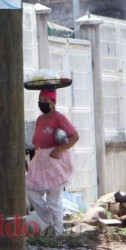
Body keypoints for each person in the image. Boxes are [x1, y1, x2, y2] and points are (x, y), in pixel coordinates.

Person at [26, 89, 79, 236]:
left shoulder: (59, 118)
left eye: (45, 100)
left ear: (53, 102)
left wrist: (59, 150)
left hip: (55, 160)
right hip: (40, 160)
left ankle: (57, 234)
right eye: (40, 100)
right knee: (31, 191)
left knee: (54, 199)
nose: (42, 103)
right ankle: (48, 220)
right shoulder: (40, 119)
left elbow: (74, 136)